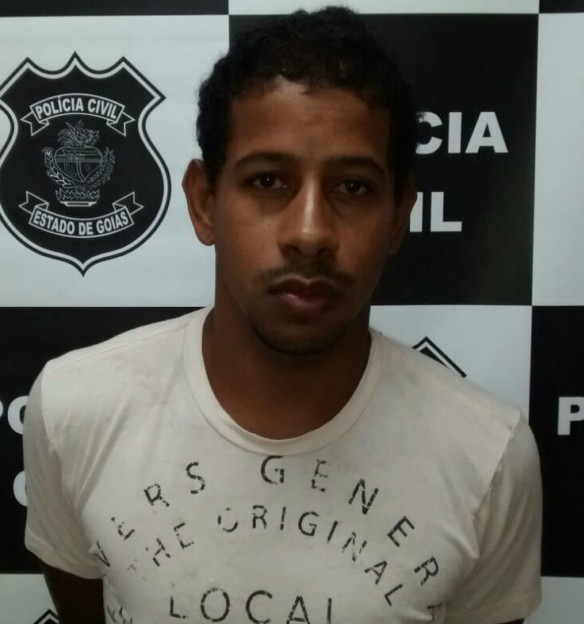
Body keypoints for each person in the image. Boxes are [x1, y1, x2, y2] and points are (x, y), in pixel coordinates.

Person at [23, 7, 542, 624]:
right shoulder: (76, 409)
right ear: (204, 202)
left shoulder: (488, 456)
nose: (310, 233)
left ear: (400, 214)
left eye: (353, 187)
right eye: (269, 181)